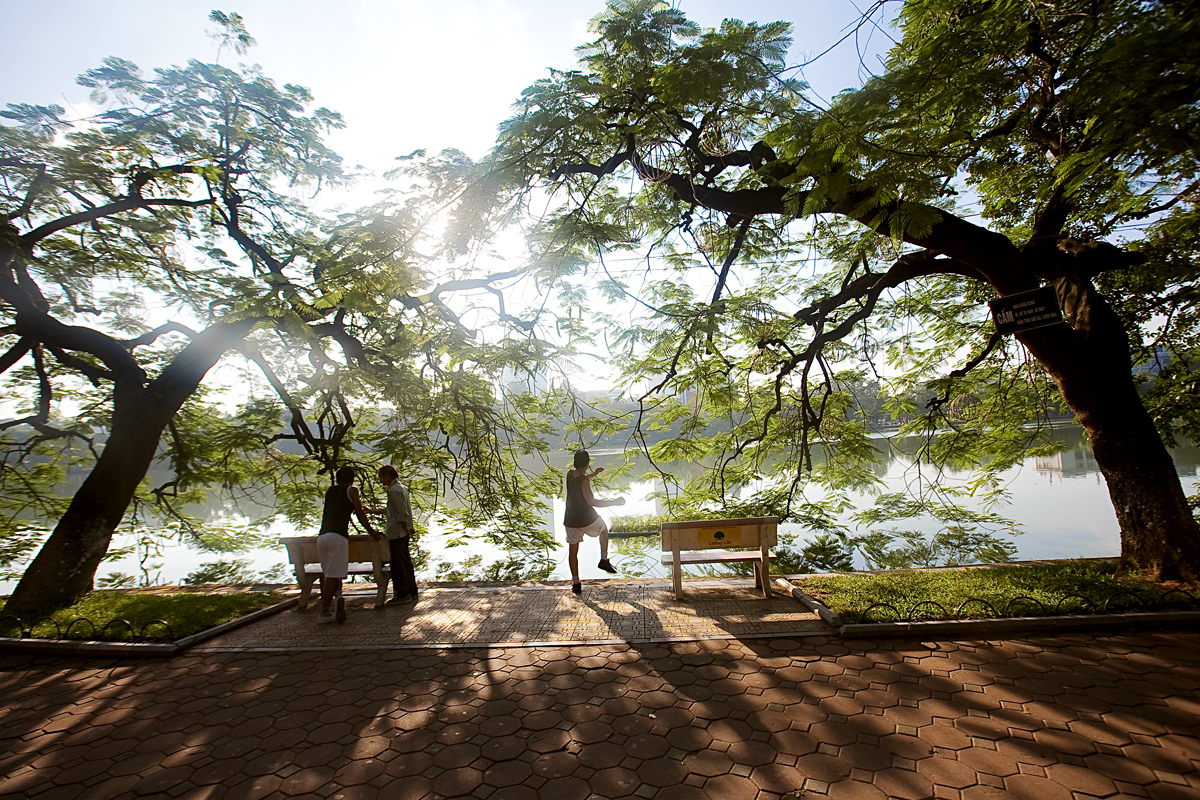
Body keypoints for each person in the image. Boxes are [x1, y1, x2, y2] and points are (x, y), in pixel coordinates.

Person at [316, 466, 381, 624]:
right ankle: (323, 613)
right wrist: (372, 531)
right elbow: (358, 513)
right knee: (332, 575)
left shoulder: (330, 490)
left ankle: (338, 597)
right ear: (352, 479)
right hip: (337, 537)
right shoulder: (352, 491)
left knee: (332, 573)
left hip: (322, 537)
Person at [563, 449, 625, 595]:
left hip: (570, 519)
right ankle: (603, 559)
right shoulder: (584, 481)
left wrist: (594, 474)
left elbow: (580, 478)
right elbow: (592, 501)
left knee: (573, 552)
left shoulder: (569, 474)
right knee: (603, 529)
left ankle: (576, 582)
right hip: (585, 518)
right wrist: (614, 502)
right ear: (587, 463)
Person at [375, 464, 419, 606]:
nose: (381, 480)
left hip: (397, 533)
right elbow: (391, 510)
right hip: (401, 532)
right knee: (405, 561)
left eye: (381, 477)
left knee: (398, 564)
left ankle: (402, 594)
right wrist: (370, 511)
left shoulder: (394, 490)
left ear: (388, 476)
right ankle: (412, 591)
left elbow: (401, 513)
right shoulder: (400, 488)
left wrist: (405, 529)